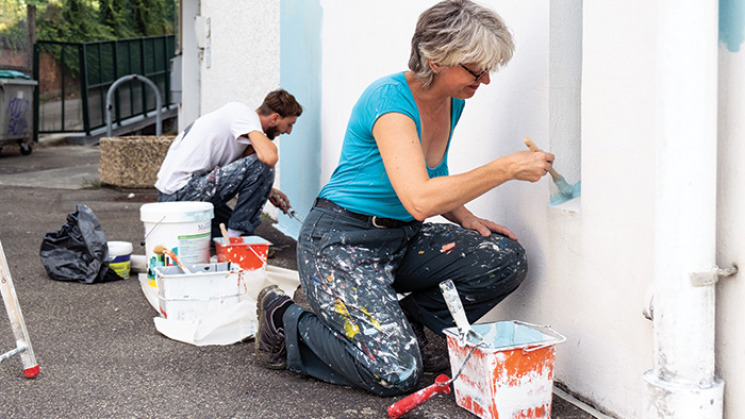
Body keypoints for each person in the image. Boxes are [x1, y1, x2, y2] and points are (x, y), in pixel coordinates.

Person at [255, 0, 554, 397]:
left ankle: (402, 326)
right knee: (395, 373)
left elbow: (432, 177)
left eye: (488, 69)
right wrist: (505, 169)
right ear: (435, 58)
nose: (484, 81)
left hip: (401, 238)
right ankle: (286, 320)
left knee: (504, 258)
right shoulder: (389, 102)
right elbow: (418, 198)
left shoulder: (454, 102)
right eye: (475, 69)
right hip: (342, 241)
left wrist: (465, 217)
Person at [155, 89, 303, 239]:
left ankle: (228, 237)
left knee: (224, 230)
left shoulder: (241, 127)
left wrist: (267, 190)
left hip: (172, 197)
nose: (289, 131)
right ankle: (235, 242)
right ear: (275, 118)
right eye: (289, 124)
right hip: (180, 194)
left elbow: (238, 174)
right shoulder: (243, 114)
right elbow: (269, 158)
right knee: (261, 164)